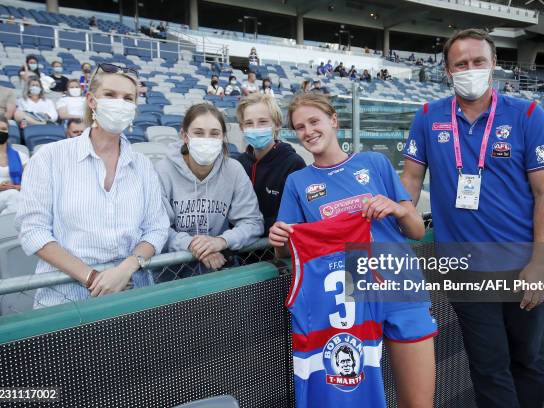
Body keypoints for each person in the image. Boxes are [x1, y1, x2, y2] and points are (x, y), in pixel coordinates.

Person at [401, 29, 544, 408]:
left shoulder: (526, 115)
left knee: (528, 360)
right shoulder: (427, 116)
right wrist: (393, 217)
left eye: (478, 61)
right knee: (489, 367)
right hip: (465, 270)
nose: (469, 69)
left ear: (494, 65)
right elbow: (409, 180)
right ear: (447, 69)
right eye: (461, 64)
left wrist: (541, 264)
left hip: (523, 266)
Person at [269, 93, 438, 408]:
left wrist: (397, 209)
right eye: (300, 127)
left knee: (418, 403)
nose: (308, 131)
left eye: (314, 121)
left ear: (333, 120)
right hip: (348, 300)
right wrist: (278, 239)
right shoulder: (298, 182)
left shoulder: (373, 163)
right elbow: (288, 252)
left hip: (400, 287)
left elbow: (416, 230)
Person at [16, 63, 169, 308]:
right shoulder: (49, 157)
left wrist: (127, 268)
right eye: (110, 95)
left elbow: (157, 229)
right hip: (65, 299)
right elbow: (34, 232)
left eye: (128, 98)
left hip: (133, 292)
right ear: (91, 101)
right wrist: (93, 278)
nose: (119, 103)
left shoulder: (143, 166)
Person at [155, 103, 263, 277]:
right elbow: (156, 228)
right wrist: (193, 245)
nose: (207, 139)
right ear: (184, 135)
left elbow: (253, 223)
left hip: (218, 271)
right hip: (171, 275)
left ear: (223, 137)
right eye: (198, 133)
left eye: (214, 134)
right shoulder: (162, 171)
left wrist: (221, 241)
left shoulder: (233, 170)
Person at [236, 93, 305, 235]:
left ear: (277, 124)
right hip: (238, 247)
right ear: (242, 127)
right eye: (249, 123)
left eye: (263, 122)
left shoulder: (293, 163)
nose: (255, 128)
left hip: (276, 250)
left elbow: (294, 218)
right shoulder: (237, 164)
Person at [0, 115, 27, 223]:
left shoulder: (22, 156)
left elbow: (33, 183)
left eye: (3, 129)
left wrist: (16, 186)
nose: (0, 132)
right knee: (12, 195)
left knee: (14, 196)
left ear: (8, 130)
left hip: (15, 199)